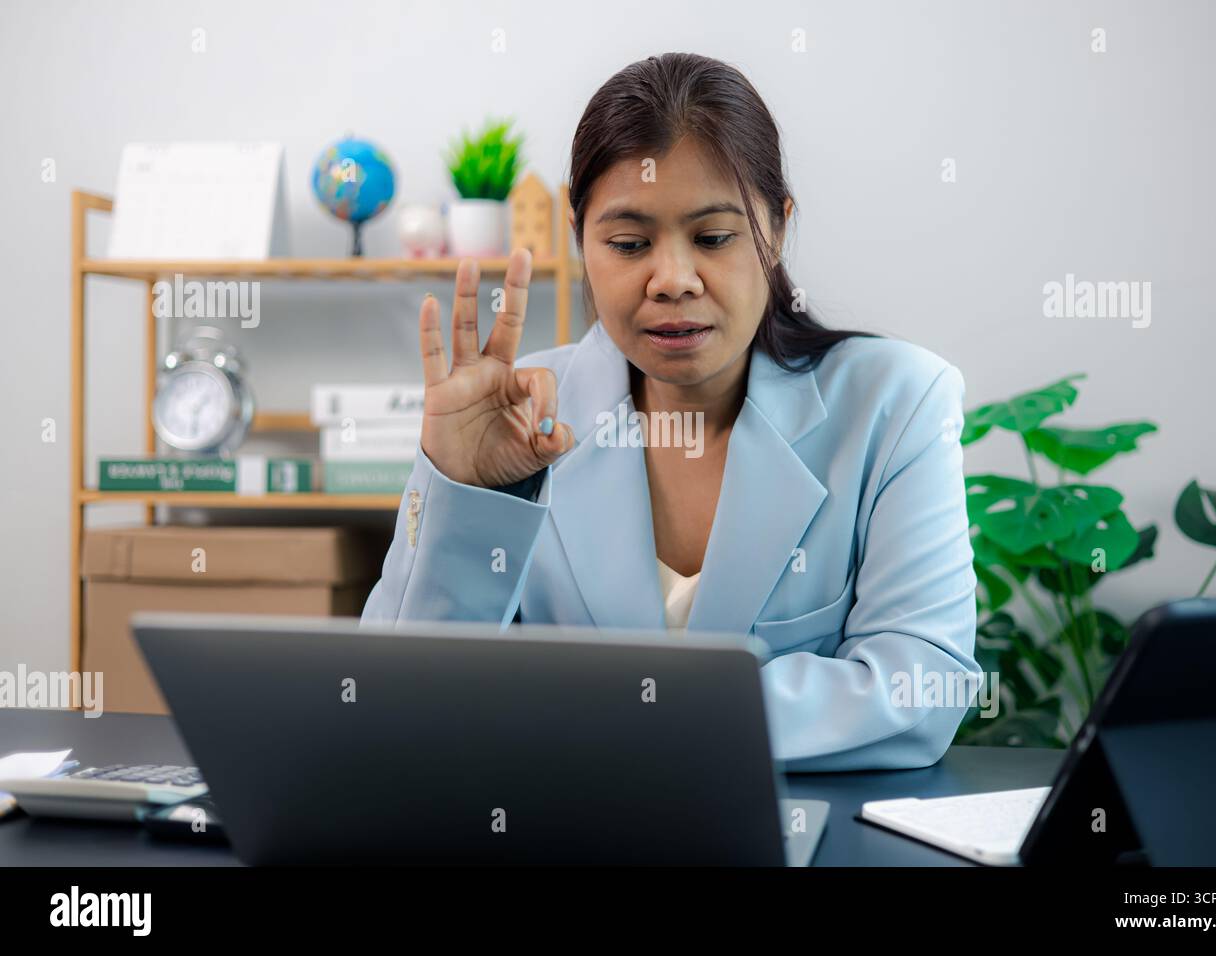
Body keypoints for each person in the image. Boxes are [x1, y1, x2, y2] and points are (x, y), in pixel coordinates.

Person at [362, 52, 979, 771]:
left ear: (775, 229)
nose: (673, 280)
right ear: (579, 235)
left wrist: (623, 715)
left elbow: (920, 688)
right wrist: (462, 493)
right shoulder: (513, 415)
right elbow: (402, 705)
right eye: (629, 244)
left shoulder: (895, 402)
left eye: (714, 238)